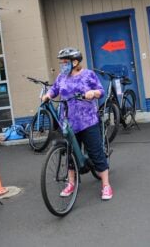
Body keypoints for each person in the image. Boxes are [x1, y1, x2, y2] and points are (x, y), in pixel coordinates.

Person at [42, 47, 113, 200]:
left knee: (96, 153)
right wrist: (48, 95)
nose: (62, 65)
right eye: (61, 63)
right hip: (67, 122)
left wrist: (93, 93)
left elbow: (100, 90)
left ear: (75, 62)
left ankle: (106, 185)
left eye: (65, 62)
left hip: (87, 121)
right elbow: (54, 89)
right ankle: (71, 183)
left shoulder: (88, 75)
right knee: (70, 154)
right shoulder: (61, 77)